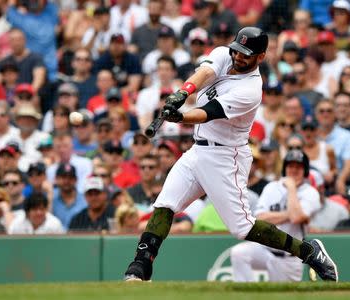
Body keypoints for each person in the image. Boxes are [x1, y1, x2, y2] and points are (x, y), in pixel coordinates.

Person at [123, 27, 338, 282]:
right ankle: (140, 266)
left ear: (261, 57)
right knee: (165, 203)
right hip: (198, 150)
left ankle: (308, 250)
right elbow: (204, 73)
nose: (238, 57)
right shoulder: (226, 54)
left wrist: (180, 116)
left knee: (243, 227)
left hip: (226, 157)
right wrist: (182, 93)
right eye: (237, 50)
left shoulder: (251, 89)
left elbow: (209, 112)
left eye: (247, 54)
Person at [231, 150, 321, 282]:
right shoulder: (272, 187)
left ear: (305, 170)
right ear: (285, 168)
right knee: (239, 253)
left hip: (289, 258)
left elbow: (296, 218)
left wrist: (291, 188)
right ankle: (247, 294)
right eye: (290, 166)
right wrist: (289, 214)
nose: (294, 170)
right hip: (265, 250)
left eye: (298, 167)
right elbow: (260, 218)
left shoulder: (311, 193)